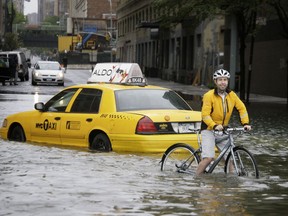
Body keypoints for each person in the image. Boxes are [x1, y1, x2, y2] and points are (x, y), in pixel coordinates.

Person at [196, 69, 251, 175]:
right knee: (208, 158)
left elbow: (242, 108)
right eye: (220, 80)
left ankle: (231, 182)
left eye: (225, 80)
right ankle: (196, 180)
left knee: (229, 158)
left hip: (223, 129)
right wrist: (214, 125)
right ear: (215, 82)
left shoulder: (232, 95)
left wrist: (245, 123)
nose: (223, 82)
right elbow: (205, 115)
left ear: (228, 81)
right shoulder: (209, 95)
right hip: (209, 129)